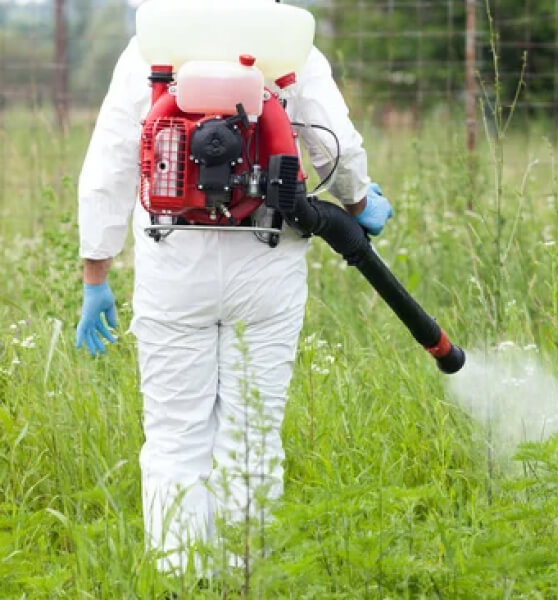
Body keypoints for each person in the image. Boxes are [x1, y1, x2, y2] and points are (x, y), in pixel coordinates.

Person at [74, 30, 393, 572]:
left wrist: (95, 275)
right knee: (253, 435)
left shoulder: (152, 44)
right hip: (265, 259)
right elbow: (333, 142)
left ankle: (180, 578)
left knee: (175, 436)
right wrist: (359, 202)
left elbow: (109, 164)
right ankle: (246, 576)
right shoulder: (288, 42)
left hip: (173, 257)